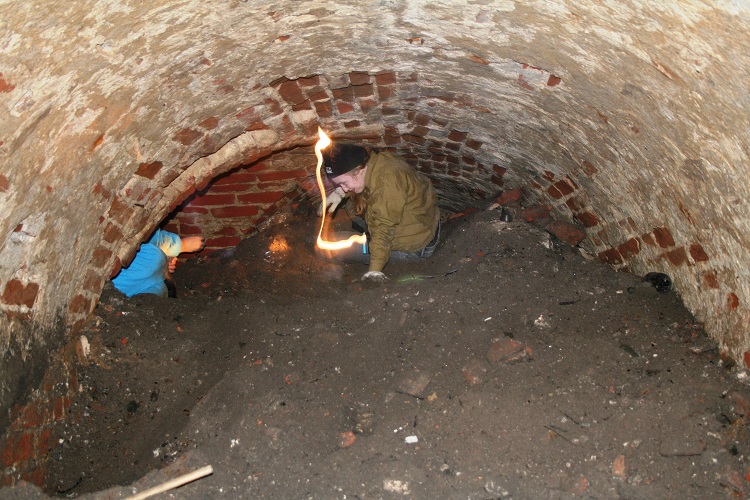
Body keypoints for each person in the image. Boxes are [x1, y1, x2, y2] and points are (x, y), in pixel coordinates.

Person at [319, 143, 440, 282]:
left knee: (333, 244)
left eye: (344, 183)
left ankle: (370, 244)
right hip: (422, 225)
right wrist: (339, 193)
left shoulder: (387, 184)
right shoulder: (378, 162)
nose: (345, 189)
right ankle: (367, 235)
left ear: (358, 171)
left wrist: (374, 270)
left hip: (414, 247)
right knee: (351, 207)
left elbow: (384, 229)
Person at [112, 229, 204, 297]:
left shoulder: (154, 262)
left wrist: (179, 246)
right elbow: (147, 234)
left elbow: (147, 236)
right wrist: (181, 246)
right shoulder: (154, 259)